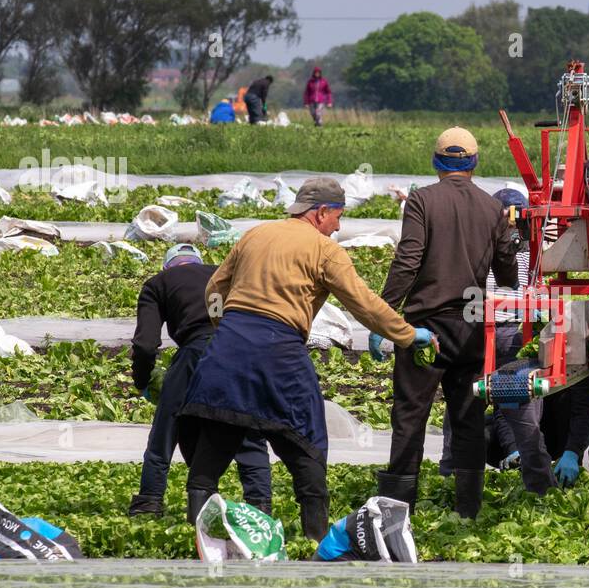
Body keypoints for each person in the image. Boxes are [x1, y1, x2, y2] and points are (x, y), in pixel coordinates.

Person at [179, 177, 435, 536]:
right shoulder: (325, 250)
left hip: (227, 351)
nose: (339, 227)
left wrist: (227, 327)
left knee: (218, 437)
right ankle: (315, 536)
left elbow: (214, 289)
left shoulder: (255, 234)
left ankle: (196, 533)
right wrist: (407, 335)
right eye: (338, 217)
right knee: (307, 441)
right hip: (279, 351)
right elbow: (363, 304)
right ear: (322, 212)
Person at [372, 127, 521, 518]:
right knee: (468, 417)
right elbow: (507, 271)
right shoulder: (492, 208)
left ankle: (398, 509)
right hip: (471, 327)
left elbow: (408, 261)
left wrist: (384, 313)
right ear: (474, 162)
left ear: (436, 162)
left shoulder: (422, 200)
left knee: (410, 414)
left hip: (426, 327)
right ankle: (468, 508)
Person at [128, 244, 272, 517]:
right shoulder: (224, 275)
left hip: (194, 353)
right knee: (248, 431)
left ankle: (149, 501)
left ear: (167, 267)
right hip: (238, 353)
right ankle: (260, 506)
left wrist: (143, 381)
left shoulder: (158, 283)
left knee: (166, 429)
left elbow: (145, 345)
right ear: (200, 262)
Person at [440, 187, 555, 495]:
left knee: (499, 406)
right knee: (476, 407)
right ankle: (536, 485)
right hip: (487, 335)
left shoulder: (527, 252)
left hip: (509, 336)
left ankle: (454, 476)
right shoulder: (521, 251)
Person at [539, 377, 589, 487]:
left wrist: (573, 451)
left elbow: (583, 409)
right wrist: (513, 447)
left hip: (565, 423)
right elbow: (509, 410)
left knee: (564, 481)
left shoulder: (578, 369)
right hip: (533, 423)